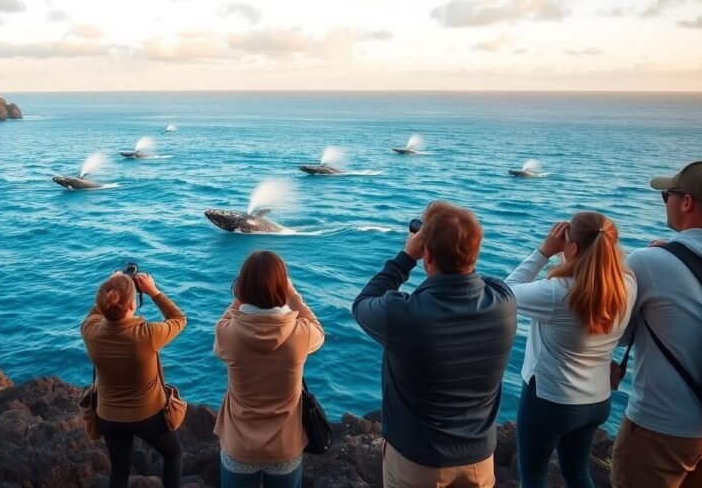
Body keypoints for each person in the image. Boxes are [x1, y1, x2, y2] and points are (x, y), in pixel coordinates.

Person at [353, 201, 517, 488]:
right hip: (479, 459)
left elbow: (363, 302)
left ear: (426, 254)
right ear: (475, 252)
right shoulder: (504, 303)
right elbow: (476, 276)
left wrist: (406, 257)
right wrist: (454, 246)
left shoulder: (403, 315)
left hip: (418, 462)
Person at [611, 161, 702, 488]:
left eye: (667, 196)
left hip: (663, 429)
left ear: (687, 202)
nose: (667, 202)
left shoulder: (649, 262)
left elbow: (616, 334)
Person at [505, 213, 636, 488]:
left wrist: (544, 252)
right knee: (578, 474)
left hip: (550, 401)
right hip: (597, 402)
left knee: (533, 477)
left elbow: (502, 295)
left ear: (573, 247)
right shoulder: (628, 285)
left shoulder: (557, 292)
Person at [213, 250, 325, 488]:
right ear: (282, 287)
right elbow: (318, 329)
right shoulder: (301, 333)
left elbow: (223, 322)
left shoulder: (227, 334)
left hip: (238, 447)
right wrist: (293, 295)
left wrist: (240, 297)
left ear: (242, 288)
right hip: (285, 447)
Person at [81, 271, 186, 488]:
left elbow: (95, 313)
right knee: (174, 455)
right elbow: (178, 319)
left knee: (120, 468)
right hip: (148, 416)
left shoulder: (89, 332)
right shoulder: (147, 335)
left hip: (108, 417)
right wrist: (153, 291)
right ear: (132, 305)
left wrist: (112, 286)